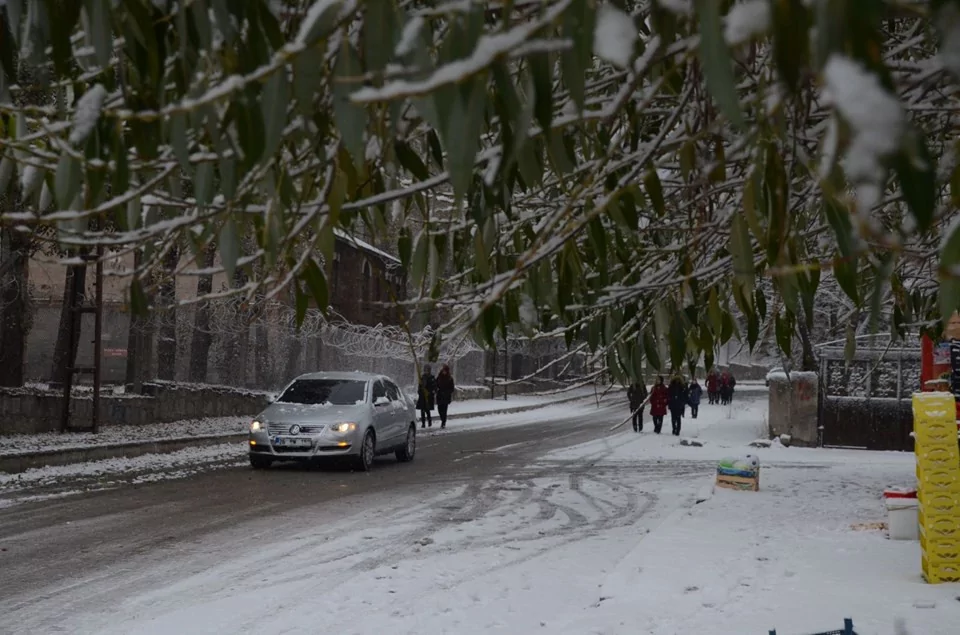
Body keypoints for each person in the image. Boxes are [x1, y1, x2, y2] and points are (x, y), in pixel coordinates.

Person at [436, 364, 455, 429]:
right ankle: (442, 419)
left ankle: (443, 422)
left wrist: (447, 392)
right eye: (443, 370)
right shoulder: (439, 377)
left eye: (445, 371)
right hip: (439, 395)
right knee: (439, 409)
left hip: (446, 397)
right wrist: (436, 390)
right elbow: (436, 385)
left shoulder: (450, 379)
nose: (444, 372)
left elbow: (452, 388)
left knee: (444, 410)